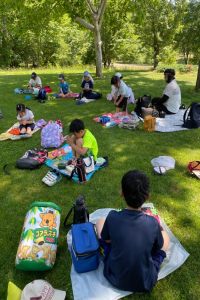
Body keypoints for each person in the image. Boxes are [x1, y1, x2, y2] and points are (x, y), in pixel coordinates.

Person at [96, 170, 170, 293]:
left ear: (122, 193)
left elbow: (106, 239)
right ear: (147, 196)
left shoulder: (112, 216)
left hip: (114, 276)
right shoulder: (152, 223)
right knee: (165, 238)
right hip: (145, 281)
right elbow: (158, 248)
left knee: (100, 221)